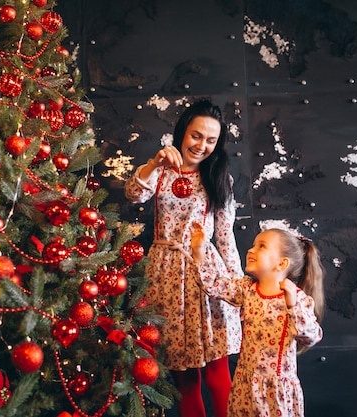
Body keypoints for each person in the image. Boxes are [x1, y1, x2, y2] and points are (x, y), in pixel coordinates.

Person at [124, 100, 243, 417]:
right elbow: (134, 193)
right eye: (196, 136)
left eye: (211, 140)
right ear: (181, 133)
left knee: (219, 376)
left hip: (206, 274)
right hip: (165, 277)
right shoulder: (160, 171)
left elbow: (225, 235)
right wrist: (153, 162)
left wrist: (236, 289)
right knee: (185, 379)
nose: (202, 146)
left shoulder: (218, 177)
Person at [191, 225, 325, 417]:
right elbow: (213, 285)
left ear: (281, 264)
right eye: (253, 245)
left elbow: (311, 337)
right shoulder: (247, 289)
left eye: (261, 246)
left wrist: (293, 305)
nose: (251, 250)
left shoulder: (296, 298)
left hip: (274, 390)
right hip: (244, 385)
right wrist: (198, 251)